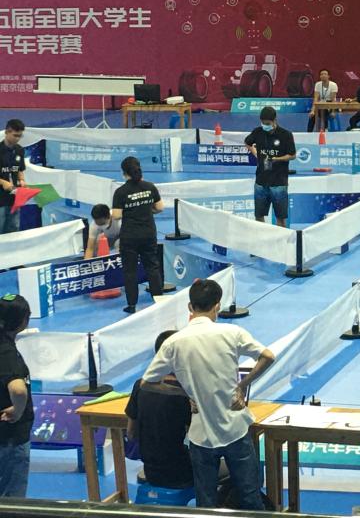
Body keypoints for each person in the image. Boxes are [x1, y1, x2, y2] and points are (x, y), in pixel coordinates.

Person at [141, 279, 274, 510]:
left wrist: (186, 393)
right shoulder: (232, 332)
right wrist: (242, 385)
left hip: (201, 436)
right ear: (217, 306)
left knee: (206, 504)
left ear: (190, 307)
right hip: (235, 428)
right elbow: (268, 356)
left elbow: (147, 383)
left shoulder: (173, 342)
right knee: (250, 497)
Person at [127, 331, 193, 489]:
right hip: (181, 471)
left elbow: (131, 434)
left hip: (151, 471)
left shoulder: (139, 385)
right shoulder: (187, 390)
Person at [112, 156, 163, 314]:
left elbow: (116, 215)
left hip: (130, 236)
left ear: (124, 172)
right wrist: (146, 210)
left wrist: (130, 211)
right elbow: (160, 207)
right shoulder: (150, 187)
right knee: (152, 267)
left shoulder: (120, 192)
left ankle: (132, 305)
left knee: (130, 271)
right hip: (149, 233)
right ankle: (159, 301)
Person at [0, 294, 32, 498]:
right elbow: (18, 390)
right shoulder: (7, 353)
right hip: (10, 438)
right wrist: (18, 411)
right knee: (12, 501)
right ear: (23, 321)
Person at [243, 107, 296, 229]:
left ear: (274, 120)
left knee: (280, 219)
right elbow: (247, 142)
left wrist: (277, 159)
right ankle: (261, 238)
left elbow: (292, 155)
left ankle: (281, 240)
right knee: (259, 217)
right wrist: (255, 153)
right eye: (263, 123)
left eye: (267, 123)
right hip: (261, 182)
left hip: (279, 183)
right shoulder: (258, 132)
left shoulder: (286, 135)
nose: (265, 126)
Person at [0, 120, 26, 235]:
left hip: (14, 198)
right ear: (7, 132)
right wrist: (3, 182)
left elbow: (20, 169)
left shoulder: (19, 150)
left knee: (13, 230)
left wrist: (22, 180)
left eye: (20, 136)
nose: (17, 138)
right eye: (15, 135)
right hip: (0, 199)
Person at [307, 68, 339, 133]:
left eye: (325, 74)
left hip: (331, 104)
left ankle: (325, 129)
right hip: (320, 104)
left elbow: (333, 100)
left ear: (328, 76)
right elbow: (316, 99)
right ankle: (309, 132)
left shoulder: (333, 85)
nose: (323, 75)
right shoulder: (317, 84)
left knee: (323, 111)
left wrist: (333, 111)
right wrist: (312, 111)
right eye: (321, 74)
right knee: (312, 115)